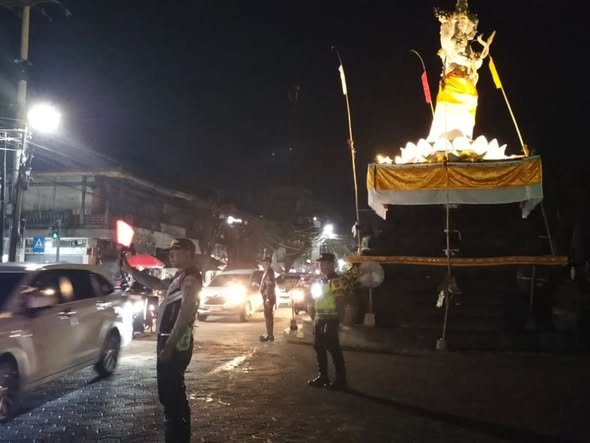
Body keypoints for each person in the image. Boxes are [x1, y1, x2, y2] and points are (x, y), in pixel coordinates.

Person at [121, 238, 201, 443]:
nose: (171, 255)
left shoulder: (191, 279)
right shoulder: (180, 276)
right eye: (170, 252)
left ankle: (177, 437)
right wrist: (132, 271)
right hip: (168, 340)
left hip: (175, 343)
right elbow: (157, 284)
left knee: (173, 397)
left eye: (177, 251)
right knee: (169, 396)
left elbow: (185, 314)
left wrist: (169, 346)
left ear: (189, 254)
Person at [307, 252, 348, 390]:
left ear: (331, 264)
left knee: (333, 349)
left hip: (330, 320)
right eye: (320, 263)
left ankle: (341, 380)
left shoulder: (335, 281)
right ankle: (323, 376)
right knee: (319, 347)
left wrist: (340, 320)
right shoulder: (322, 280)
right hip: (320, 319)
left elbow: (340, 301)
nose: (321, 266)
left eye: (323, 263)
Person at [259, 255, 276, 342]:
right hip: (266, 297)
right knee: (268, 316)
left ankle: (270, 335)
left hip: (268, 297)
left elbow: (270, 286)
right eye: (263, 263)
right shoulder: (266, 272)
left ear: (269, 263)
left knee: (268, 317)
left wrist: (268, 299)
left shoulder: (269, 272)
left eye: (266, 263)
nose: (264, 264)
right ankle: (269, 334)